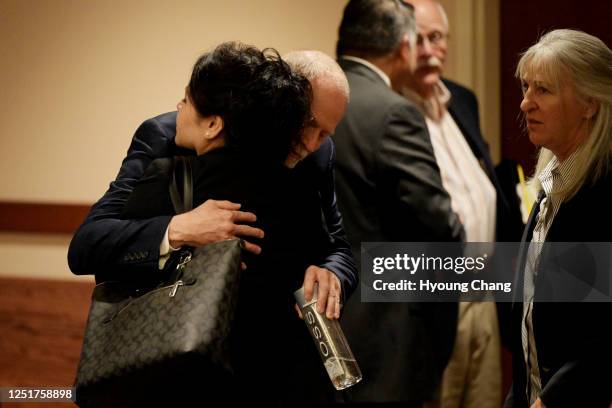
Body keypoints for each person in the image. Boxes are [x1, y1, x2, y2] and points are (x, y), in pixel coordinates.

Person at [74, 42, 357, 407]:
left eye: (324, 134)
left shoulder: (315, 158)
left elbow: (336, 247)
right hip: (173, 356)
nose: (309, 143)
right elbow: (88, 245)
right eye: (307, 123)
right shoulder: (165, 140)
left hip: (278, 367)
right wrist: (177, 229)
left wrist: (331, 273)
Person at [331, 1, 463, 406]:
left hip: (321, 314)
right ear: (403, 45)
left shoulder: (309, 99)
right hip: (386, 325)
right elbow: (439, 223)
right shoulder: (393, 113)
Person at [402, 1, 524, 407]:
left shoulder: (463, 100)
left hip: (484, 296)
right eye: (416, 39)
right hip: (432, 300)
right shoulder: (392, 112)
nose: (427, 49)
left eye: (435, 37)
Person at [505, 29, 612, 408]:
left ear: (589, 103)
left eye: (543, 91)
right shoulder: (553, 181)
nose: (525, 104)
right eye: (526, 88)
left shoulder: (603, 193)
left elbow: (601, 342)